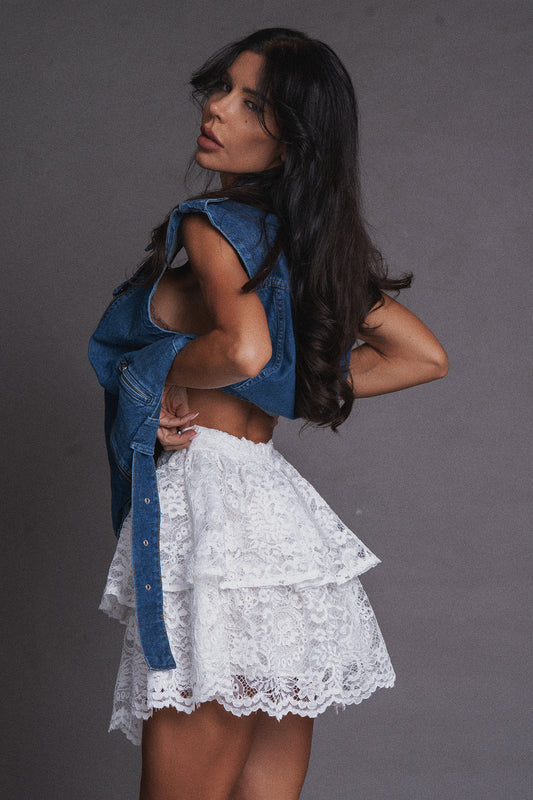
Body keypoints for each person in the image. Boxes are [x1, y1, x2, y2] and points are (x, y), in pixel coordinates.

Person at [89, 28, 448, 800]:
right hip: (275, 520)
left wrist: (155, 373)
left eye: (252, 103)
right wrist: (293, 382)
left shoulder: (211, 223)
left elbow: (244, 351)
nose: (217, 109)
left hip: (213, 520)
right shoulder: (305, 247)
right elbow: (422, 356)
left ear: (295, 138)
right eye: (221, 88)